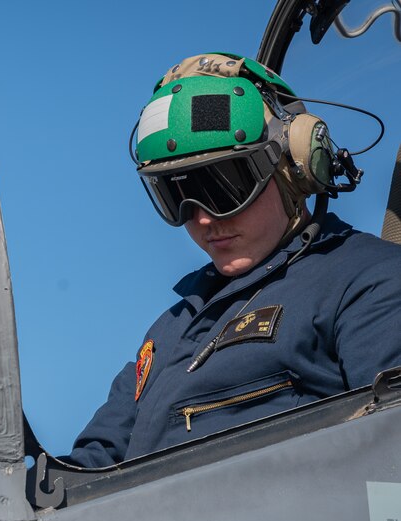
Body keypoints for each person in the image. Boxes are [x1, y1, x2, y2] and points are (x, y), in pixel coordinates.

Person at [63, 53, 401, 469]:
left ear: (293, 167)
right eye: (178, 196)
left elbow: (390, 453)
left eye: (224, 189)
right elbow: (92, 465)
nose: (203, 218)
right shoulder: (172, 327)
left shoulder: (367, 281)